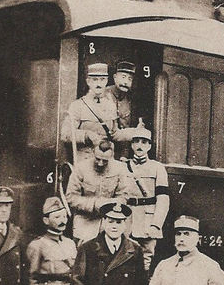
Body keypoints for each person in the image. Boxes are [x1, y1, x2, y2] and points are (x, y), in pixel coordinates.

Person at [65, 138, 130, 244]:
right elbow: (71, 197)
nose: (100, 163)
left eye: (105, 161)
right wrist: (94, 204)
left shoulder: (120, 169)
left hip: (110, 221)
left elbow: (124, 196)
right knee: (84, 253)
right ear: (93, 152)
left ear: (112, 156)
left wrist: (109, 205)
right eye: (97, 159)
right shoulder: (81, 168)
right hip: (85, 220)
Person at [126, 124, 170, 273]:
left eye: (144, 142)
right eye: (136, 141)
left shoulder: (157, 168)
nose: (140, 146)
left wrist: (156, 225)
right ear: (132, 144)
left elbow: (163, 199)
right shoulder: (123, 166)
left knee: (146, 260)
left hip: (148, 220)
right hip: (127, 219)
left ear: (149, 146)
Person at [61, 63, 118, 164]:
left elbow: (114, 133)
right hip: (86, 160)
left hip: (106, 159)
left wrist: (135, 133)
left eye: (102, 79)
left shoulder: (111, 105)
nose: (99, 84)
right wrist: (87, 135)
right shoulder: (78, 105)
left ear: (107, 81)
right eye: (94, 80)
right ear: (88, 82)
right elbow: (65, 134)